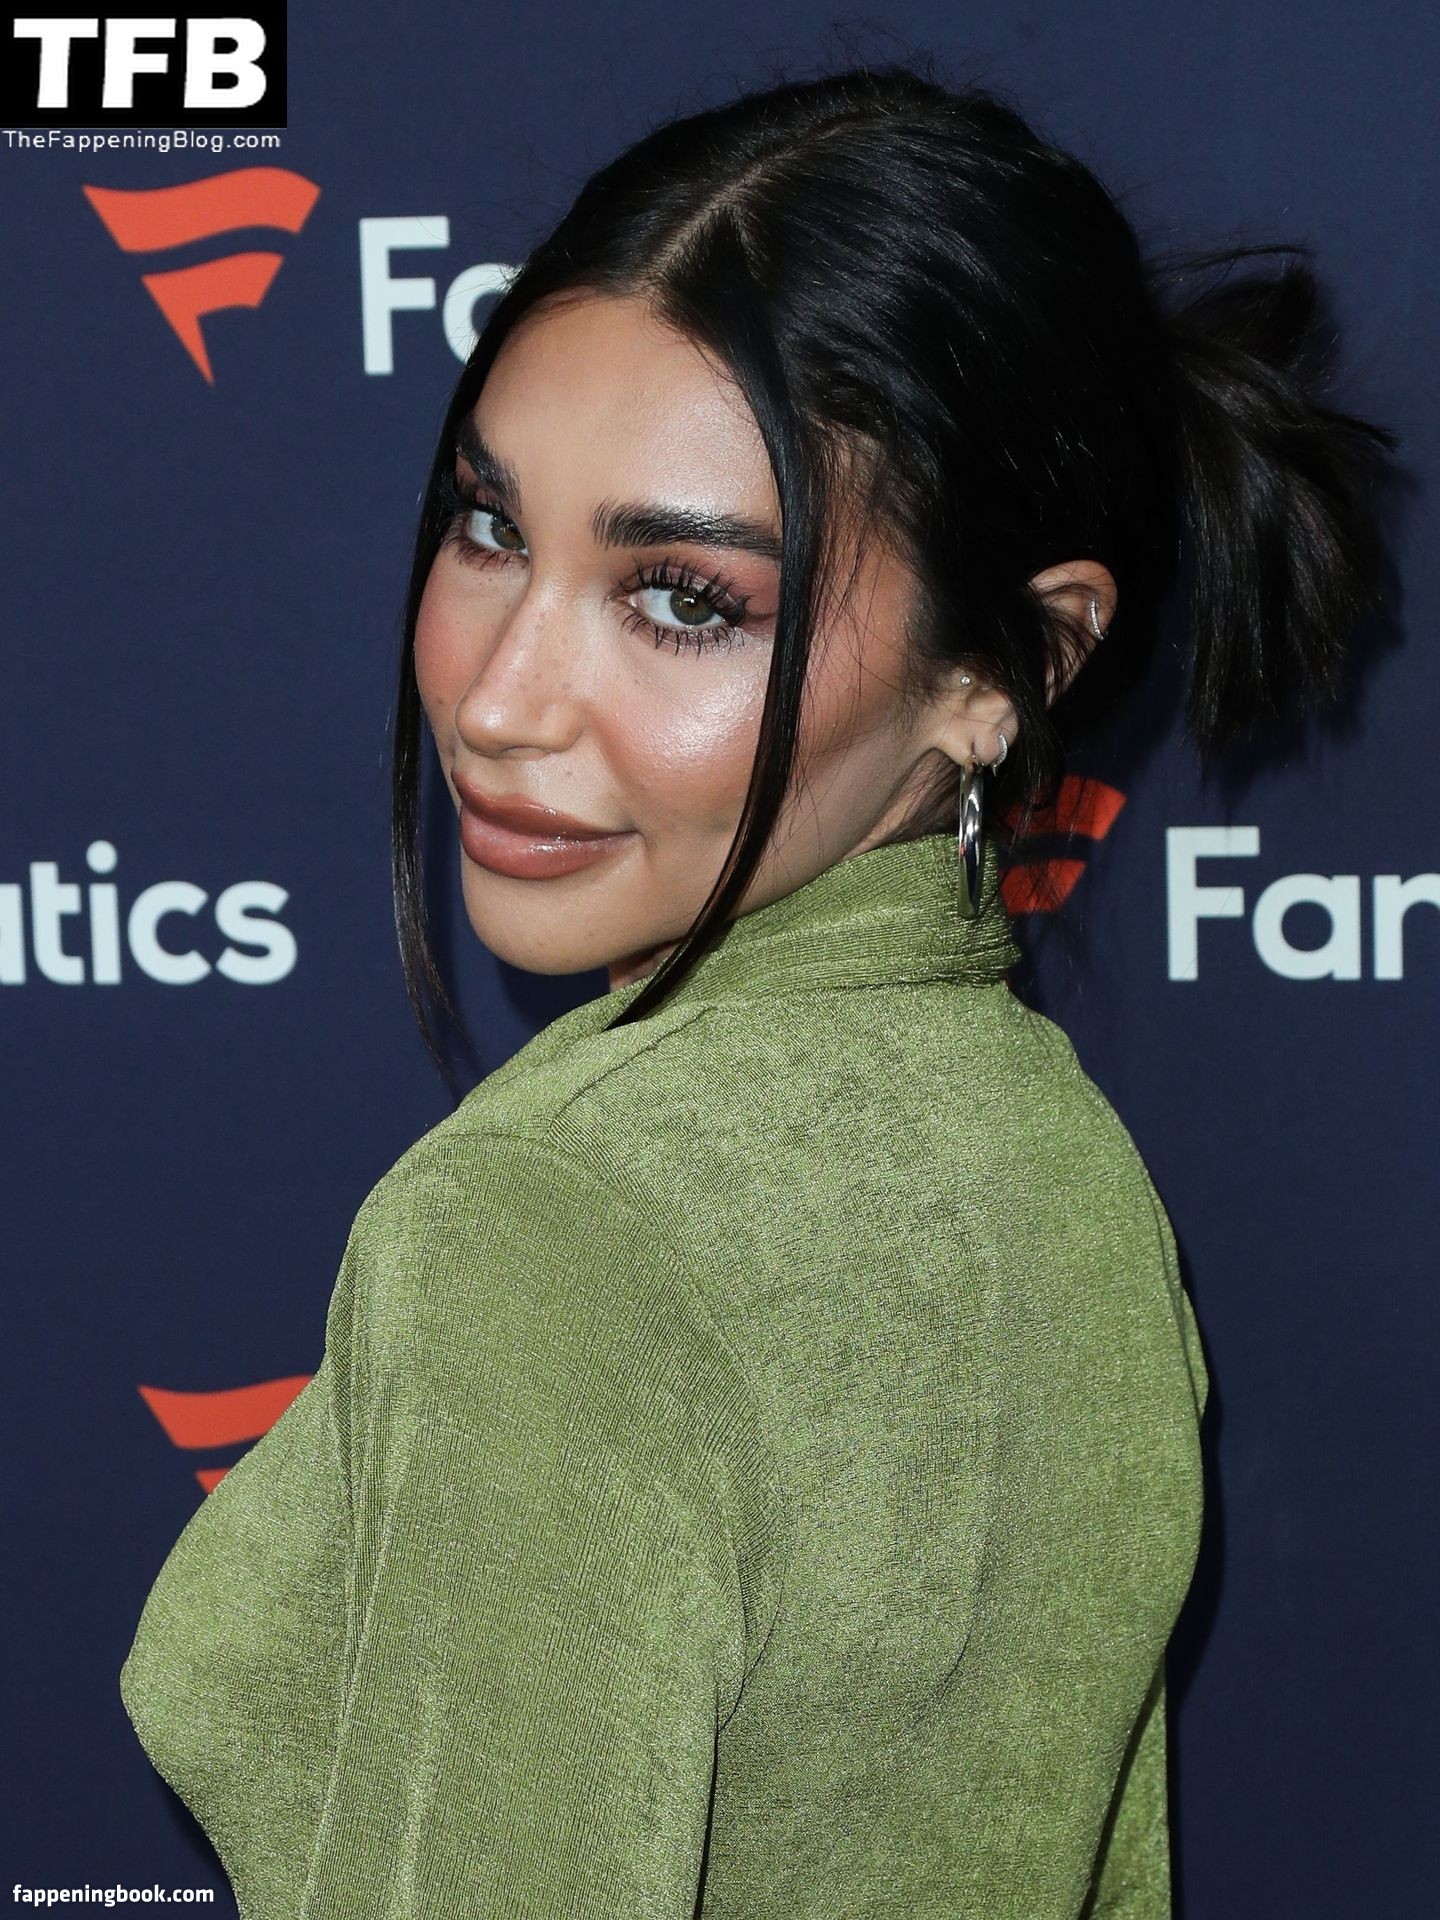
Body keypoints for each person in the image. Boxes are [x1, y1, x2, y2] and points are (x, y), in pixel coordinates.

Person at [118, 61, 1395, 1919]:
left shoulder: (552, 1221)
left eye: (684, 598)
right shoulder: (1068, 1172)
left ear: (1007, 672)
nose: (497, 697)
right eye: (491, 528)